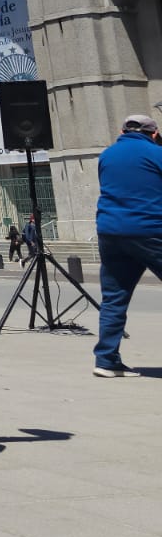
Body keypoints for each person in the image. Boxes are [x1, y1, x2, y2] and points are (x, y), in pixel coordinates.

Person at [91, 114, 162, 378]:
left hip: (110, 232)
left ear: (122, 130)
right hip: (150, 231)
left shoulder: (107, 155)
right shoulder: (156, 154)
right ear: (154, 133)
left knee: (114, 298)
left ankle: (106, 361)